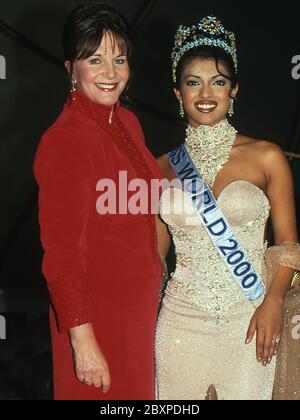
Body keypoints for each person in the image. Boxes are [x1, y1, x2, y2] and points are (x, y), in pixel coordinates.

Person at [155, 16, 300, 400]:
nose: (206, 93)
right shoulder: (159, 167)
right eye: (193, 82)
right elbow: (153, 255)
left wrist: (272, 302)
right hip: (179, 324)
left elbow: (289, 247)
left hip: (250, 316)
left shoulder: (267, 156)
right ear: (177, 92)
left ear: (234, 89)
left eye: (218, 81)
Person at [33, 3, 163, 400]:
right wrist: (83, 341)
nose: (111, 73)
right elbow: (62, 256)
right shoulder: (64, 140)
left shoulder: (128, 122)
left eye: (119, 59)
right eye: (96, 59)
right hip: (96, 321)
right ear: (71, 67)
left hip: (139, 315)